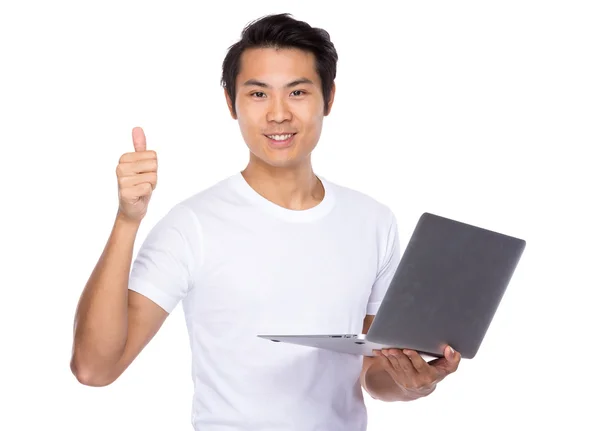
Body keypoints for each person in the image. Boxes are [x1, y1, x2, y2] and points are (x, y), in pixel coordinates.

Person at [70, 13, 461, 430]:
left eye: (297, 92)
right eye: (258, 94)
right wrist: (127, 220)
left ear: (328, 98)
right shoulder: (193, 225)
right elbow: (95, 368)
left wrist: (415, 382)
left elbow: (374, 376)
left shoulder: (373, 221)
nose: (278, 114)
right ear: (230, 103)